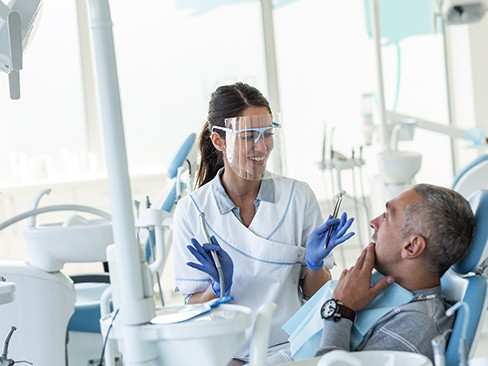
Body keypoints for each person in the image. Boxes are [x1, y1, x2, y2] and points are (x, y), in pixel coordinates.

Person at [171, 82, 354, 364]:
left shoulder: (298, 196)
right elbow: (192, 307)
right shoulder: (192, 211)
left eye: (267, 133)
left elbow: (315, 293)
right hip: (228, 353)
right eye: (248, 136)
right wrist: (216, 290)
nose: (262, 146)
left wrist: (316, 265)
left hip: (294, 349)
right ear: (219, 141)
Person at [270, 183, 476, 364]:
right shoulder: (389, 291)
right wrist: (315, 266)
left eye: (387, 215)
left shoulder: (416, 326)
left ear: (412, 247)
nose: (373, 222)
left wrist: (342, 310)